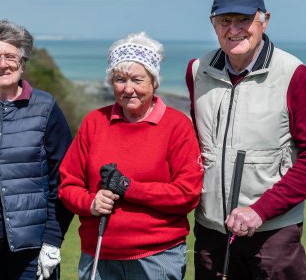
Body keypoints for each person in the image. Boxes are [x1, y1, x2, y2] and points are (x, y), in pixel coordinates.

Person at [186, 0, 306, 279]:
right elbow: (191, 147)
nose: (234, 29)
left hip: (272, 234)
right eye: (225, 20)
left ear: (264, 20)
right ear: (214, 24)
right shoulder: (197, 71)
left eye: (244, 20)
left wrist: (261, 210)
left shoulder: (294, 74)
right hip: (211, 232)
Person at [59, 32, 203, 280]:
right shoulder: (95, 123)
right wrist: (91, 203)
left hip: (157, 257)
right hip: (98, 254)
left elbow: (187, 194)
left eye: (137, 79)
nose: (128, 89)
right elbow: (68, 185)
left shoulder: (177, 126)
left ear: (154, 82)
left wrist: (128, 187)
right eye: (119, 79)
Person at [0, 19, 73, 280]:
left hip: (32, 245)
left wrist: (53, 239)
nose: (3, 64)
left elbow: (64, 179)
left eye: (11, 56)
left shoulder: (46, 107)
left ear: (23, 62)